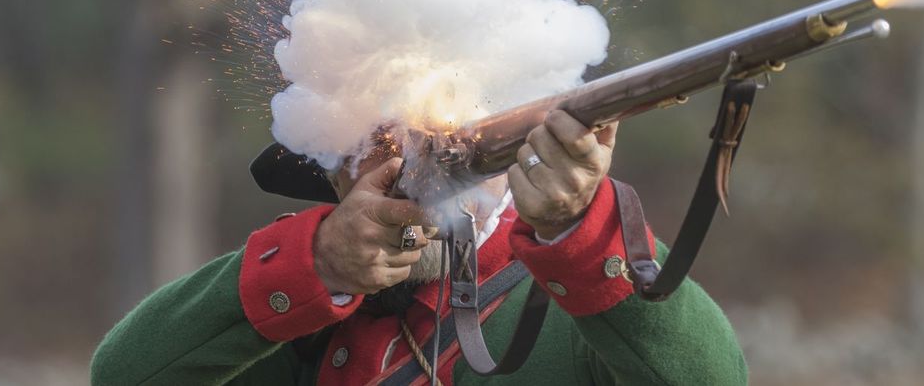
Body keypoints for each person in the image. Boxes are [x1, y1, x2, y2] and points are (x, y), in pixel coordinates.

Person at [91, 111, 748, 385]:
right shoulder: (292, 320)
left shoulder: (575, 306)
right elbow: (122, 374)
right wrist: (319, 264)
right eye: (377, 150)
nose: (416, 175)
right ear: (336, 176)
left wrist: (578, 230)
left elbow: (713, 378)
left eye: (443, 150)